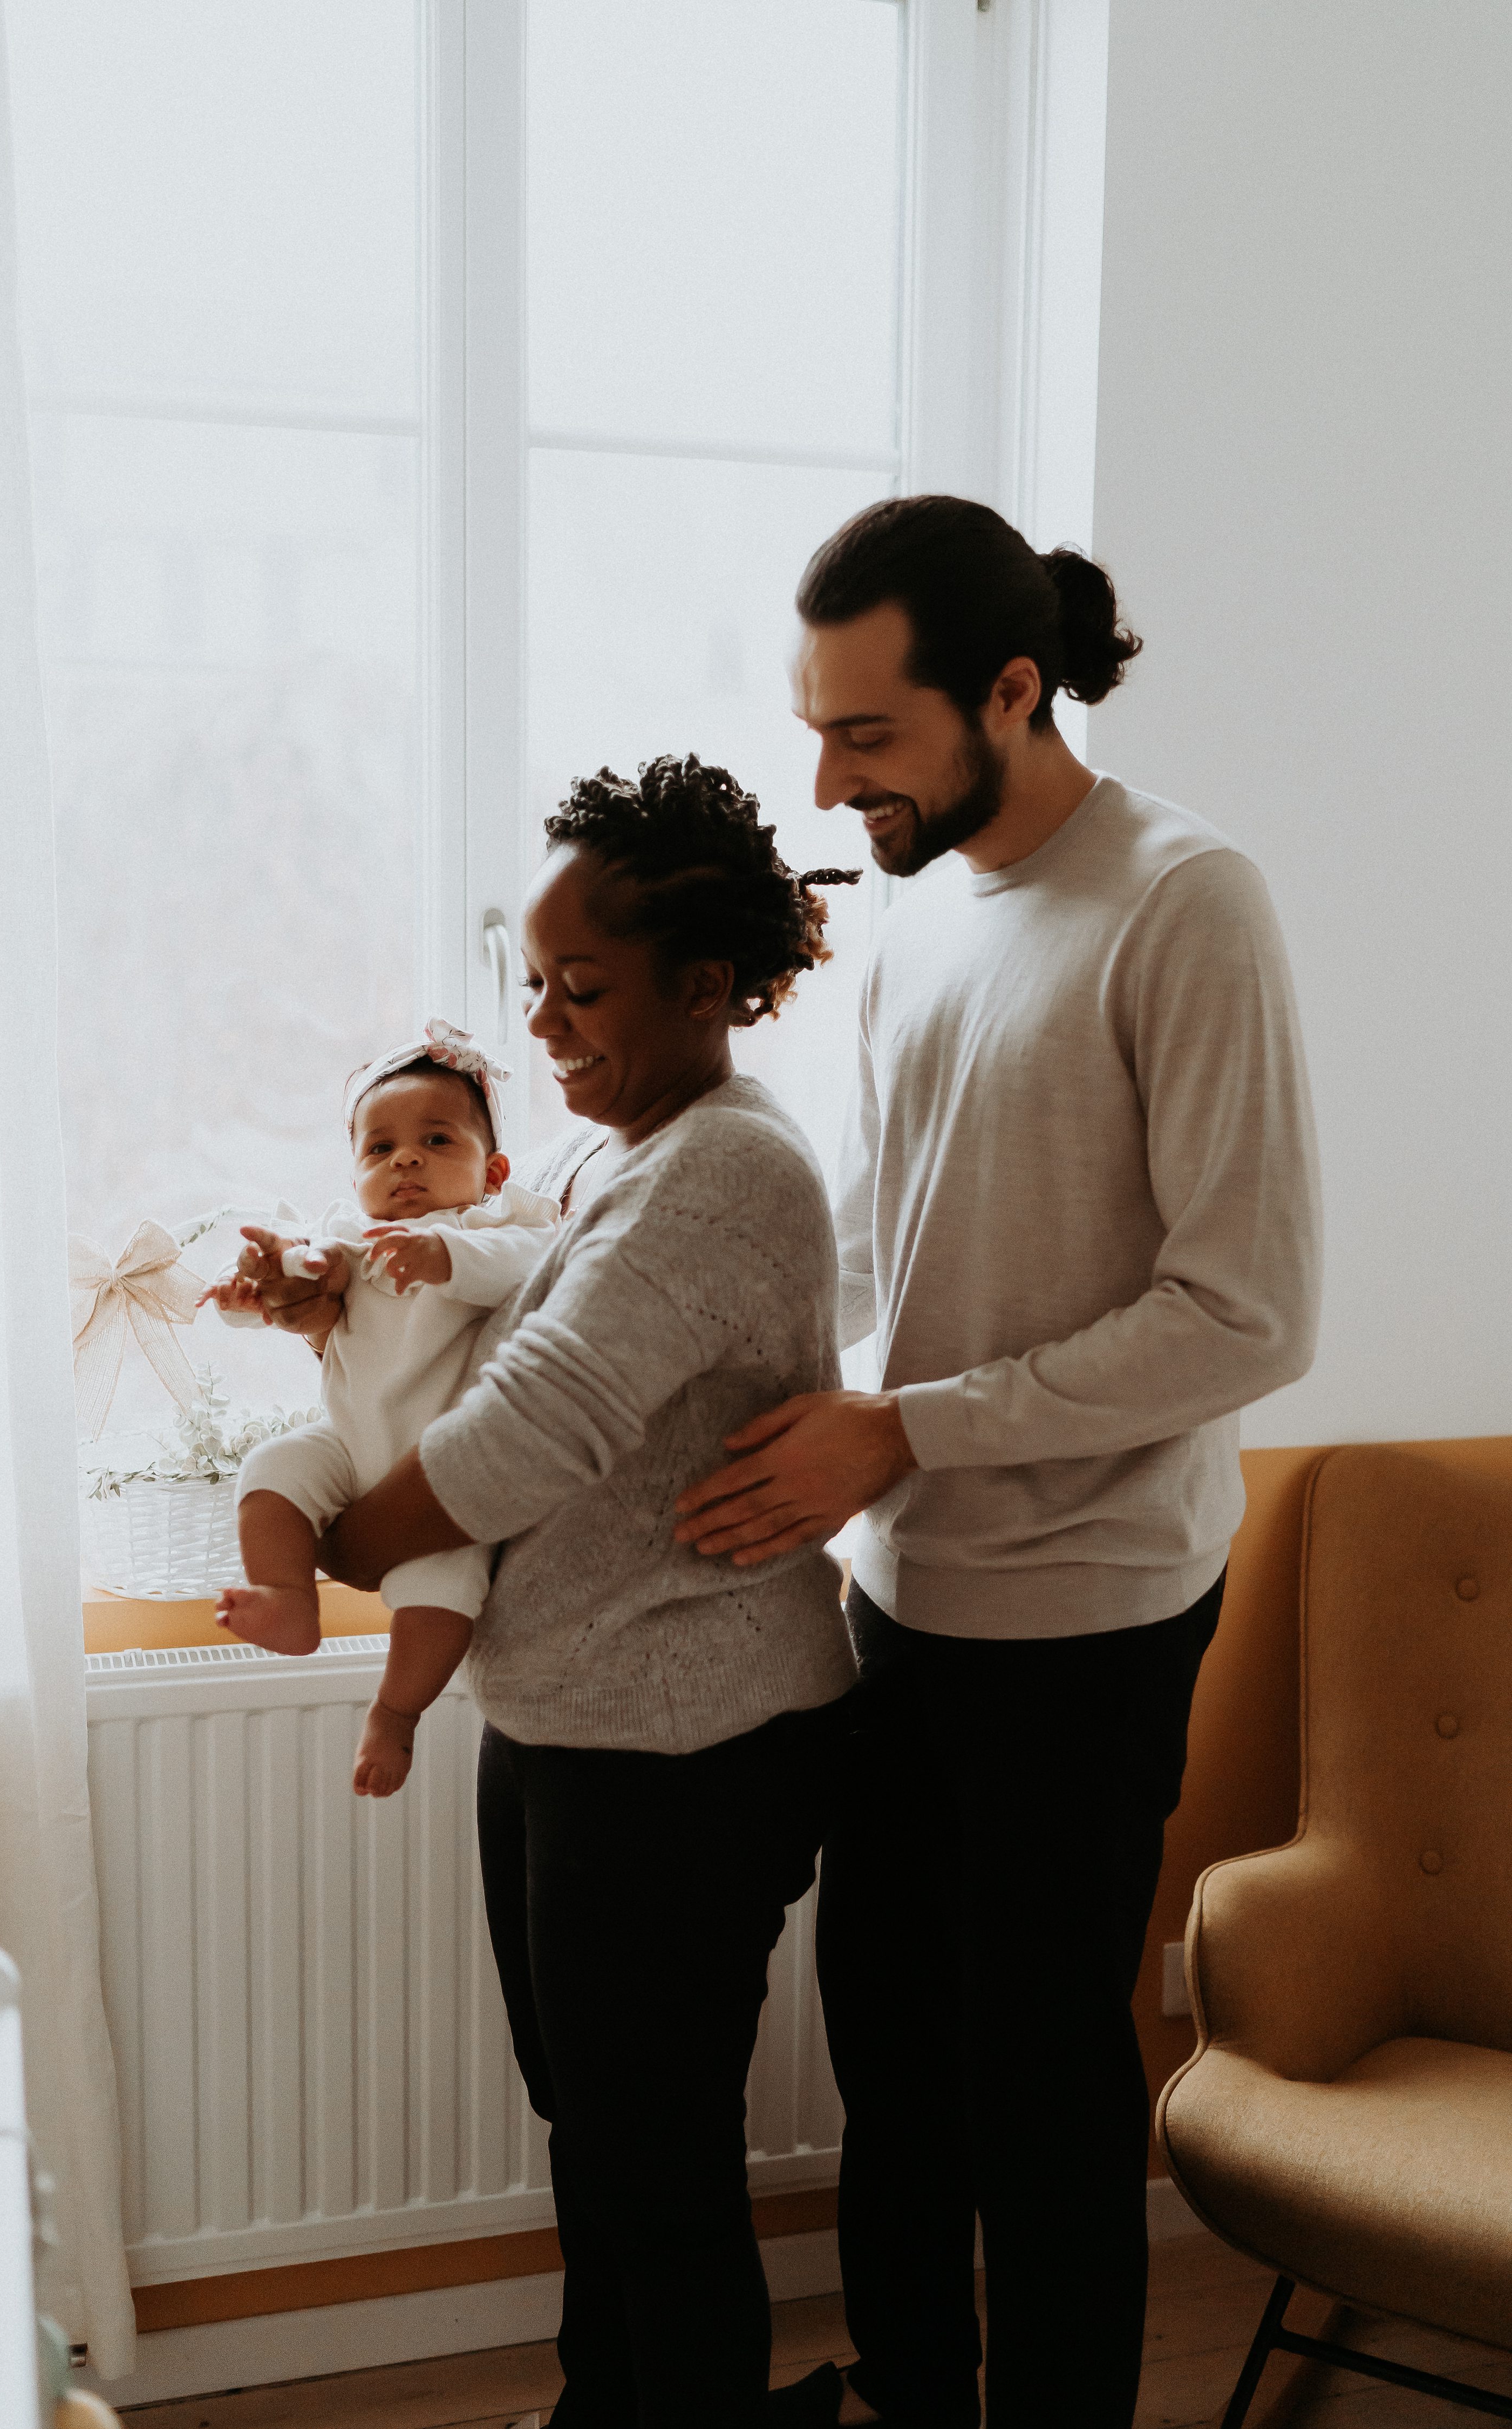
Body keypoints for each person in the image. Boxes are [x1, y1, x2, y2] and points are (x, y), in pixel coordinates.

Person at [675, 497, 1323, 2428]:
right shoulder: (915, 915)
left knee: (1043, 2087)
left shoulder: (1185, 900)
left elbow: (1250, 1314)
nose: (825, 778)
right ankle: (910, 2396)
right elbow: (885, 1266)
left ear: (1016, 695)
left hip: (1093, 1607)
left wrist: (912, 1430)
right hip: (904, 1589)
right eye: (817, 724)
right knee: (890, 2061)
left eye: (868, 735)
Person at [258, 754, 861, 2429]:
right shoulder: (618, 1156)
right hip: (574, 1709)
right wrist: (329, 1311)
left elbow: (533, 1430)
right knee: (591, 2119)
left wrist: (322, 1538)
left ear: (706, 982)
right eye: (534, 982)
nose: (541, 1024)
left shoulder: (723, 1166)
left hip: (686, 1733)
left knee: (647, 2141)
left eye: (581, 988)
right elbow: (471, 1346)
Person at [201, 1019, 559, 1794]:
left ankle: (395, 1715)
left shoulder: (498, 1224)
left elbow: (538, 1263)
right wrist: (253, 1286)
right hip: (351, 1441)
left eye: (437, 1141)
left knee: (441, 1595)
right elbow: (301, 1272)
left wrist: (446, 1252)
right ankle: (288, 1599)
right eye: (380, 1148)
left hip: (441, 1466)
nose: (406, 1160)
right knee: (272, 1468)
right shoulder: (351, 1239)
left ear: (492, 1171)